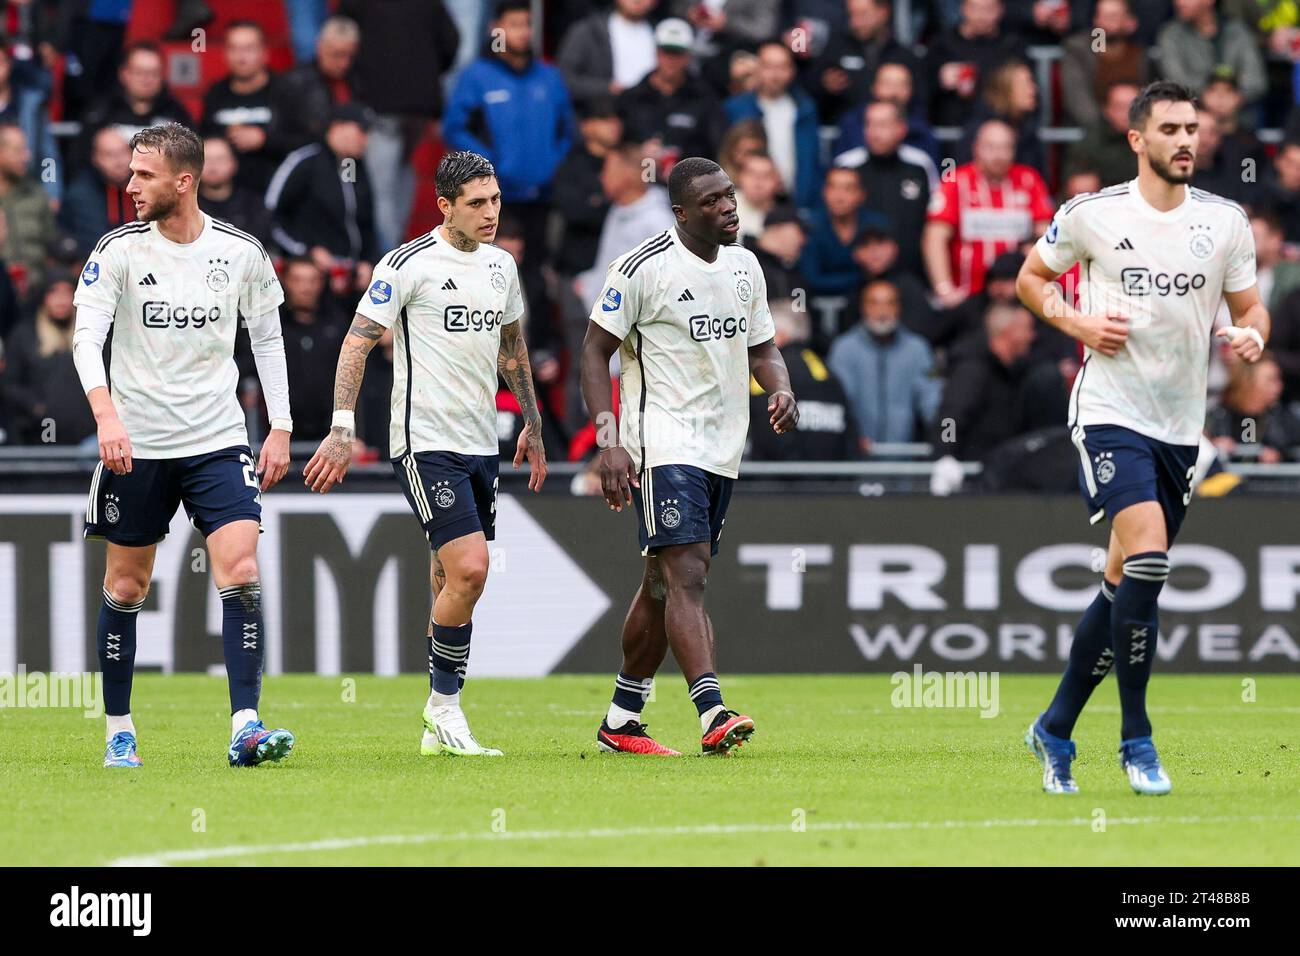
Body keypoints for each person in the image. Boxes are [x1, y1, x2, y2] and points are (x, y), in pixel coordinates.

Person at [1016, 81, 1270, 796]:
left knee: (1123, 582)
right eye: (1171, 129)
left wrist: (1251, 335)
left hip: (1180, 428)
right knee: (1151, 560)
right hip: (1109, 412)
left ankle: (1055, 727)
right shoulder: (1093, 216)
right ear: (1138, 140)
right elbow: (1033, 280)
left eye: (1193, 128)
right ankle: (1137, 740)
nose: (1187, 139)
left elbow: (1251, 308)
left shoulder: (1225, 223)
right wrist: (1078, 324)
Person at [304, 151, 548, 758]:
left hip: (480, 442)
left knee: (448, 575)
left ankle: (435, 724)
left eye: (495, 200)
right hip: (424, 440)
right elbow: (357, 345)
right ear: (445, 206)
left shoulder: (501, 267)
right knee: (471, 569)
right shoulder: (406, 264)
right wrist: (341, 427)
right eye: (477, 203)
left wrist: (534, 425)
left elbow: (512, 349)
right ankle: (445, 709)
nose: (491, 213)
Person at [71, 123, 295, 769]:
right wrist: (106, 415)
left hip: (217, 439)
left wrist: (279, 426)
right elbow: (87, 338)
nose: (130, 183)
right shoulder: (117, 250)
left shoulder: (241, 252)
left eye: (143, 174)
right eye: (130, 172)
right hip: (135, 443)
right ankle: (119, 728)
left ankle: (246, 726)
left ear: (183, 180)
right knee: (126, 583)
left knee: (243, 569)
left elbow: (268, 339)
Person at [579, 156, 798, 757]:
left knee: (659, 583)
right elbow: (593, 353)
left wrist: (779, 386)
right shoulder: (640, 269)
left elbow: (765, 349)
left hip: (723, 447)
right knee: (688, 572)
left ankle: (621, 721)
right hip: (662, 439)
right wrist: (610, 440)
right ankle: (711, 711)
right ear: (681, 213)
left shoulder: (746, 265)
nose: (729, 206)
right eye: (712, 201)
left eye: (730, 195)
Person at [923, 118, 1053, 305]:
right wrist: (944, 289)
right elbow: (935, 238)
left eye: (1006, 147)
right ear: (976, 148)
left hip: (1019, 297)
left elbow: (1048, 236)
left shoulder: (1029, 180)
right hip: (967, 297)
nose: (999, 155)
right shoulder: (955, 182)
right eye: (991, 147)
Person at [265, 103, 378, 293]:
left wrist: (368, 261)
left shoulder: (353, 166)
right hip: (310, 277)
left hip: (351, 279)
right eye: (362, 131)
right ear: (339, 127)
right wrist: (306, 252)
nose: (366, 140)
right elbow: (271, 215)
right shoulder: (306, 161)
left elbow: (364, 221)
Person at [829, 279, 942, 449]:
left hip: (905, 459)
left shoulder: (917, 348)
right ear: (863, 308)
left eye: (890, 303)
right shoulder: (844, 348)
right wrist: (852, 438)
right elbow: (840, 402)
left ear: (899, 308)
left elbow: (931, 400)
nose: (882, 312)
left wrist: (943, 440)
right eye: (874, 304)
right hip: (856, 459)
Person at [749, 298, 858, 460]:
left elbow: (766, 433)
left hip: (776, 481)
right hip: (830, 480)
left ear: (777, 334)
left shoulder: (766, 372)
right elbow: (850, 434)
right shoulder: (826, 370)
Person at [724, 41, 821, 214]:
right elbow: (727, 157)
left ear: (792, 71)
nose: (775, 75)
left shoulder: (805, 110)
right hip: (746, 202)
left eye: (782, 67)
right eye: (769, 66)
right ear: (758, 69)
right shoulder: (736, 108)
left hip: (795, 203)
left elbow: (812, 162)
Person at [2, 273, 96, 445]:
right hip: (45, 428)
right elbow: (10, 384)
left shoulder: (91, 337)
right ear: (44, 298)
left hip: (89, 431)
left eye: (67, 293)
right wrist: (37, 407)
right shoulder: (24, 336)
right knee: (48, 465)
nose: (61, 300)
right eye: (54, 292)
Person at [200, 20, 281, 194]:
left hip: (275, 194)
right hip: (222, 197)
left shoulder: (284, 91)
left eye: (249, 49)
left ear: (264, 53)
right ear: (225, 54)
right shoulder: (215, 93)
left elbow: (305, 143)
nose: (241, 56)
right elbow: (202, 139)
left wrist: (264, 140)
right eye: (234, 48)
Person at [1207, 356, 1300, 462]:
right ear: (1247, 381)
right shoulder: (1218, 416)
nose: (1279, 386)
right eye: (1271, 380)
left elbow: (1291, 443)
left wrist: (1280, 454)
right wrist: (1212, 445)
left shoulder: (1283, 417)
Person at [60, 127, 135, 257]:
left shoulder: (146, 189)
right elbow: (92, 245)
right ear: (95, 158)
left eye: (123, 152)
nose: (119, 161)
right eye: (110, 155)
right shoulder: (80, 196)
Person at [198, 136, 273, 247]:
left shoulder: (253, 205)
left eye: (220, 159)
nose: (213, 166)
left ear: (233, 164)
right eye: (205, 159)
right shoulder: (182, 206)